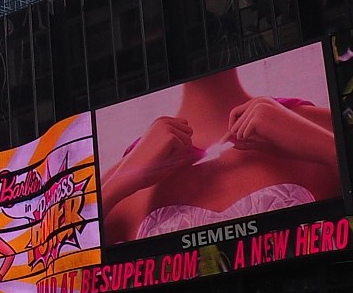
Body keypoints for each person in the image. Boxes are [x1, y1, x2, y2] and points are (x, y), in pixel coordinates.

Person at [99, 69, 340, 243]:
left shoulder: (318, 126)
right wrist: (119, 183)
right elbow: (76, 272)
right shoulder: (130, 170)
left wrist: (327, 147)